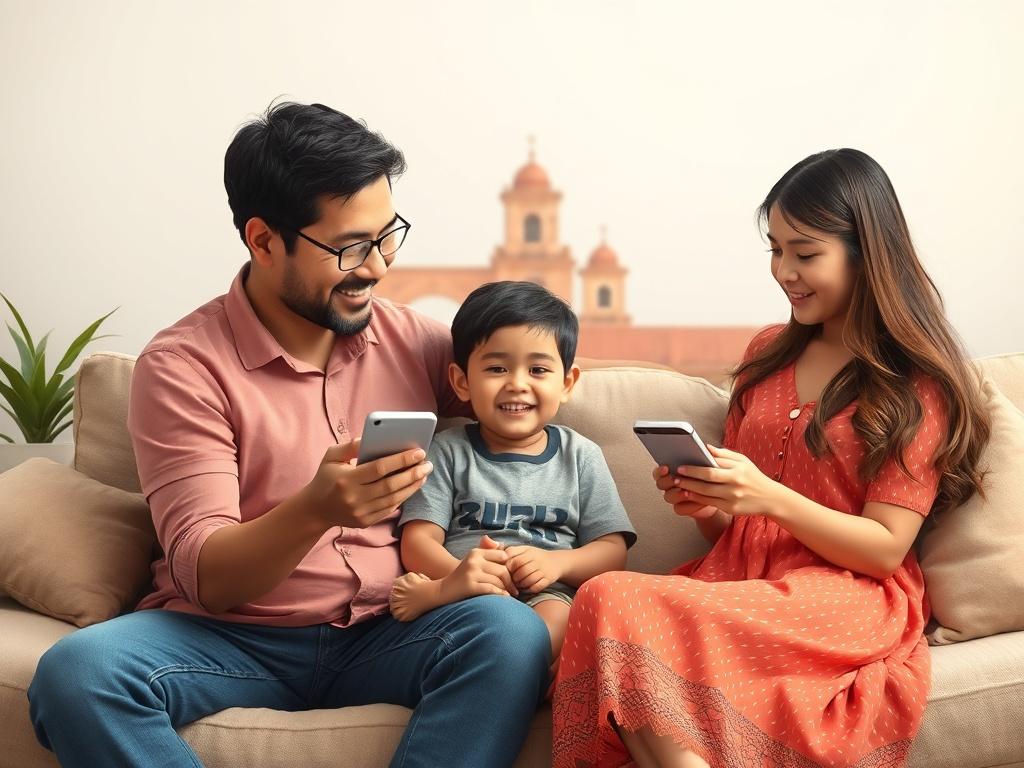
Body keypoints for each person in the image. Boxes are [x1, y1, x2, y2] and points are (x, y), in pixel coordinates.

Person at [27, 101, 551, 768]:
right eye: (350, 247)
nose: (377, 267)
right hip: (228, 638)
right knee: (78, 675)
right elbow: (208, 577)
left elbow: (527, 391)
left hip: (391, 626)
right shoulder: (183, 367)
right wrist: (315, 509)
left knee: (508, 632)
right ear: (264, 240)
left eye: (387, 235)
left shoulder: (417, 343)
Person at [551, 148, 991, 768]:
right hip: (740, 582)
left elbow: (886, 547)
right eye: (776, 250)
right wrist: (707, 502)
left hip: (846, 596)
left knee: (612, 601)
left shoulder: (913, 382)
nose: (785, 271)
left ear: (867, 253)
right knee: (607, 615)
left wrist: (769, 498)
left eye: (805, 253)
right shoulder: (768, 354)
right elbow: (735, 529)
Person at [388, 280, 637, 678]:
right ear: (462, 381)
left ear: (567, 383)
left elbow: (612, 550)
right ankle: (514, 669)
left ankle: (525, 676)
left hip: (547, 593)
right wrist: (456, 577)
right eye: (497, 368)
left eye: (537, 369)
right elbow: (418, 541)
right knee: (477, 624)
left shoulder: (581, 456)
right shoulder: (448, 450)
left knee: (556, 620)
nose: (517, 383)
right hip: (465, 594)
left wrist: (557, 563)